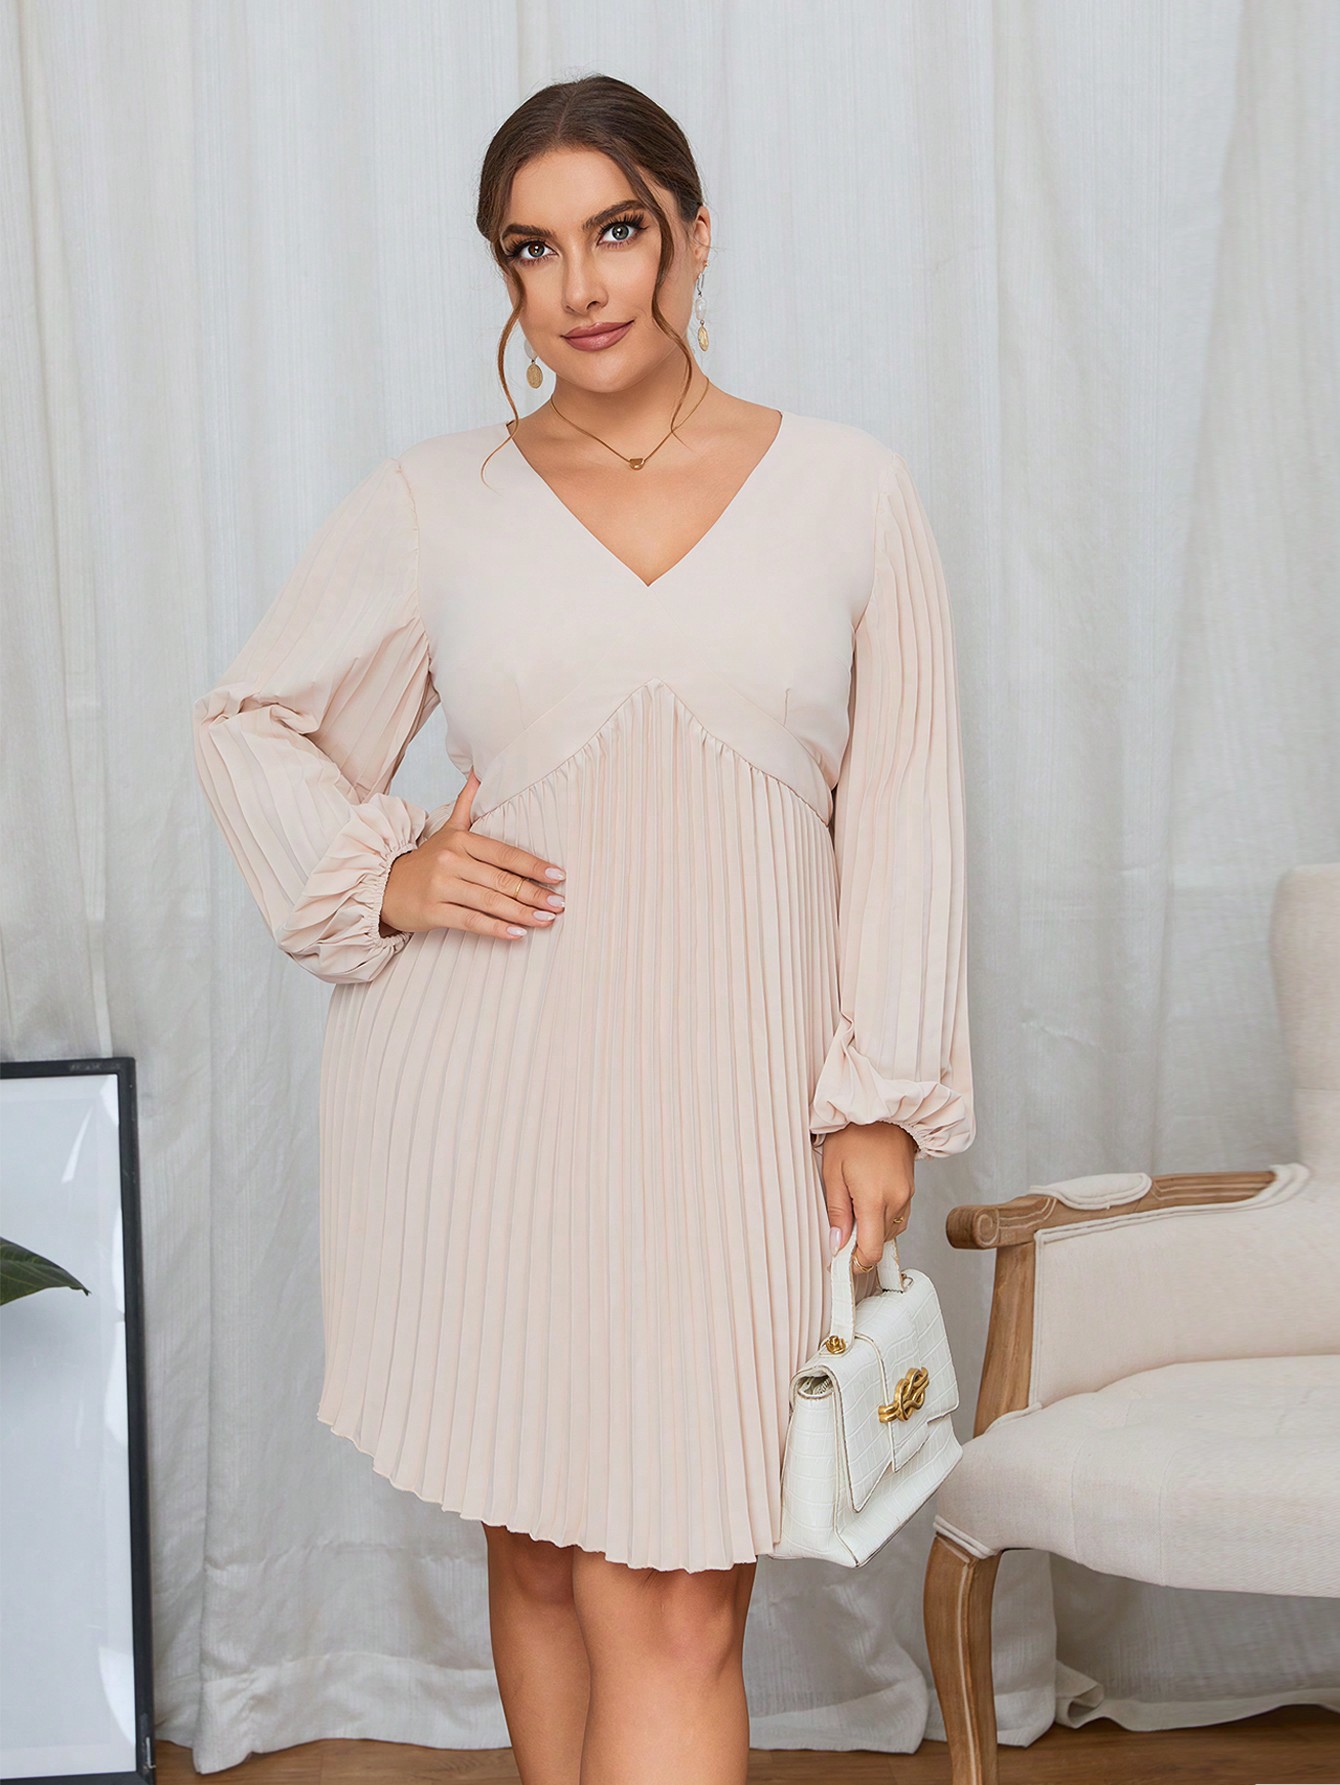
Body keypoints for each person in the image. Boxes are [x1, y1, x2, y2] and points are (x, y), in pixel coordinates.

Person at [192, 71, 975, 1785]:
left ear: (694, 233)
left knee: (677, 1601)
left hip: (737, 1108)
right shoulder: (440, 499)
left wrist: (879, 1096)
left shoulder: (850, 490)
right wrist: (387, 871)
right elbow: (251, 719)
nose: (581, 284)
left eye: (617, 230)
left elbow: (905, 804)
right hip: (492, 1098)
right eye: (531, 250)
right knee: (544, 1552)